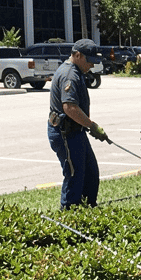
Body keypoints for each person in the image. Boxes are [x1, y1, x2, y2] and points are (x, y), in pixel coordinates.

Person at [46, 38, 108, 209]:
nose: (91, 66)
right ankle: (69, 214)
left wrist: (87, 126)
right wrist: (92, 125)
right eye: (89, 61)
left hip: (75, 132)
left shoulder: (76, 71)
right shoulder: (70, 75)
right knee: (74, 174)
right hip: (65, 133)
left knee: (90, 172)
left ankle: (88, 208)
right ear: (78, 55)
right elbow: (70, 108)